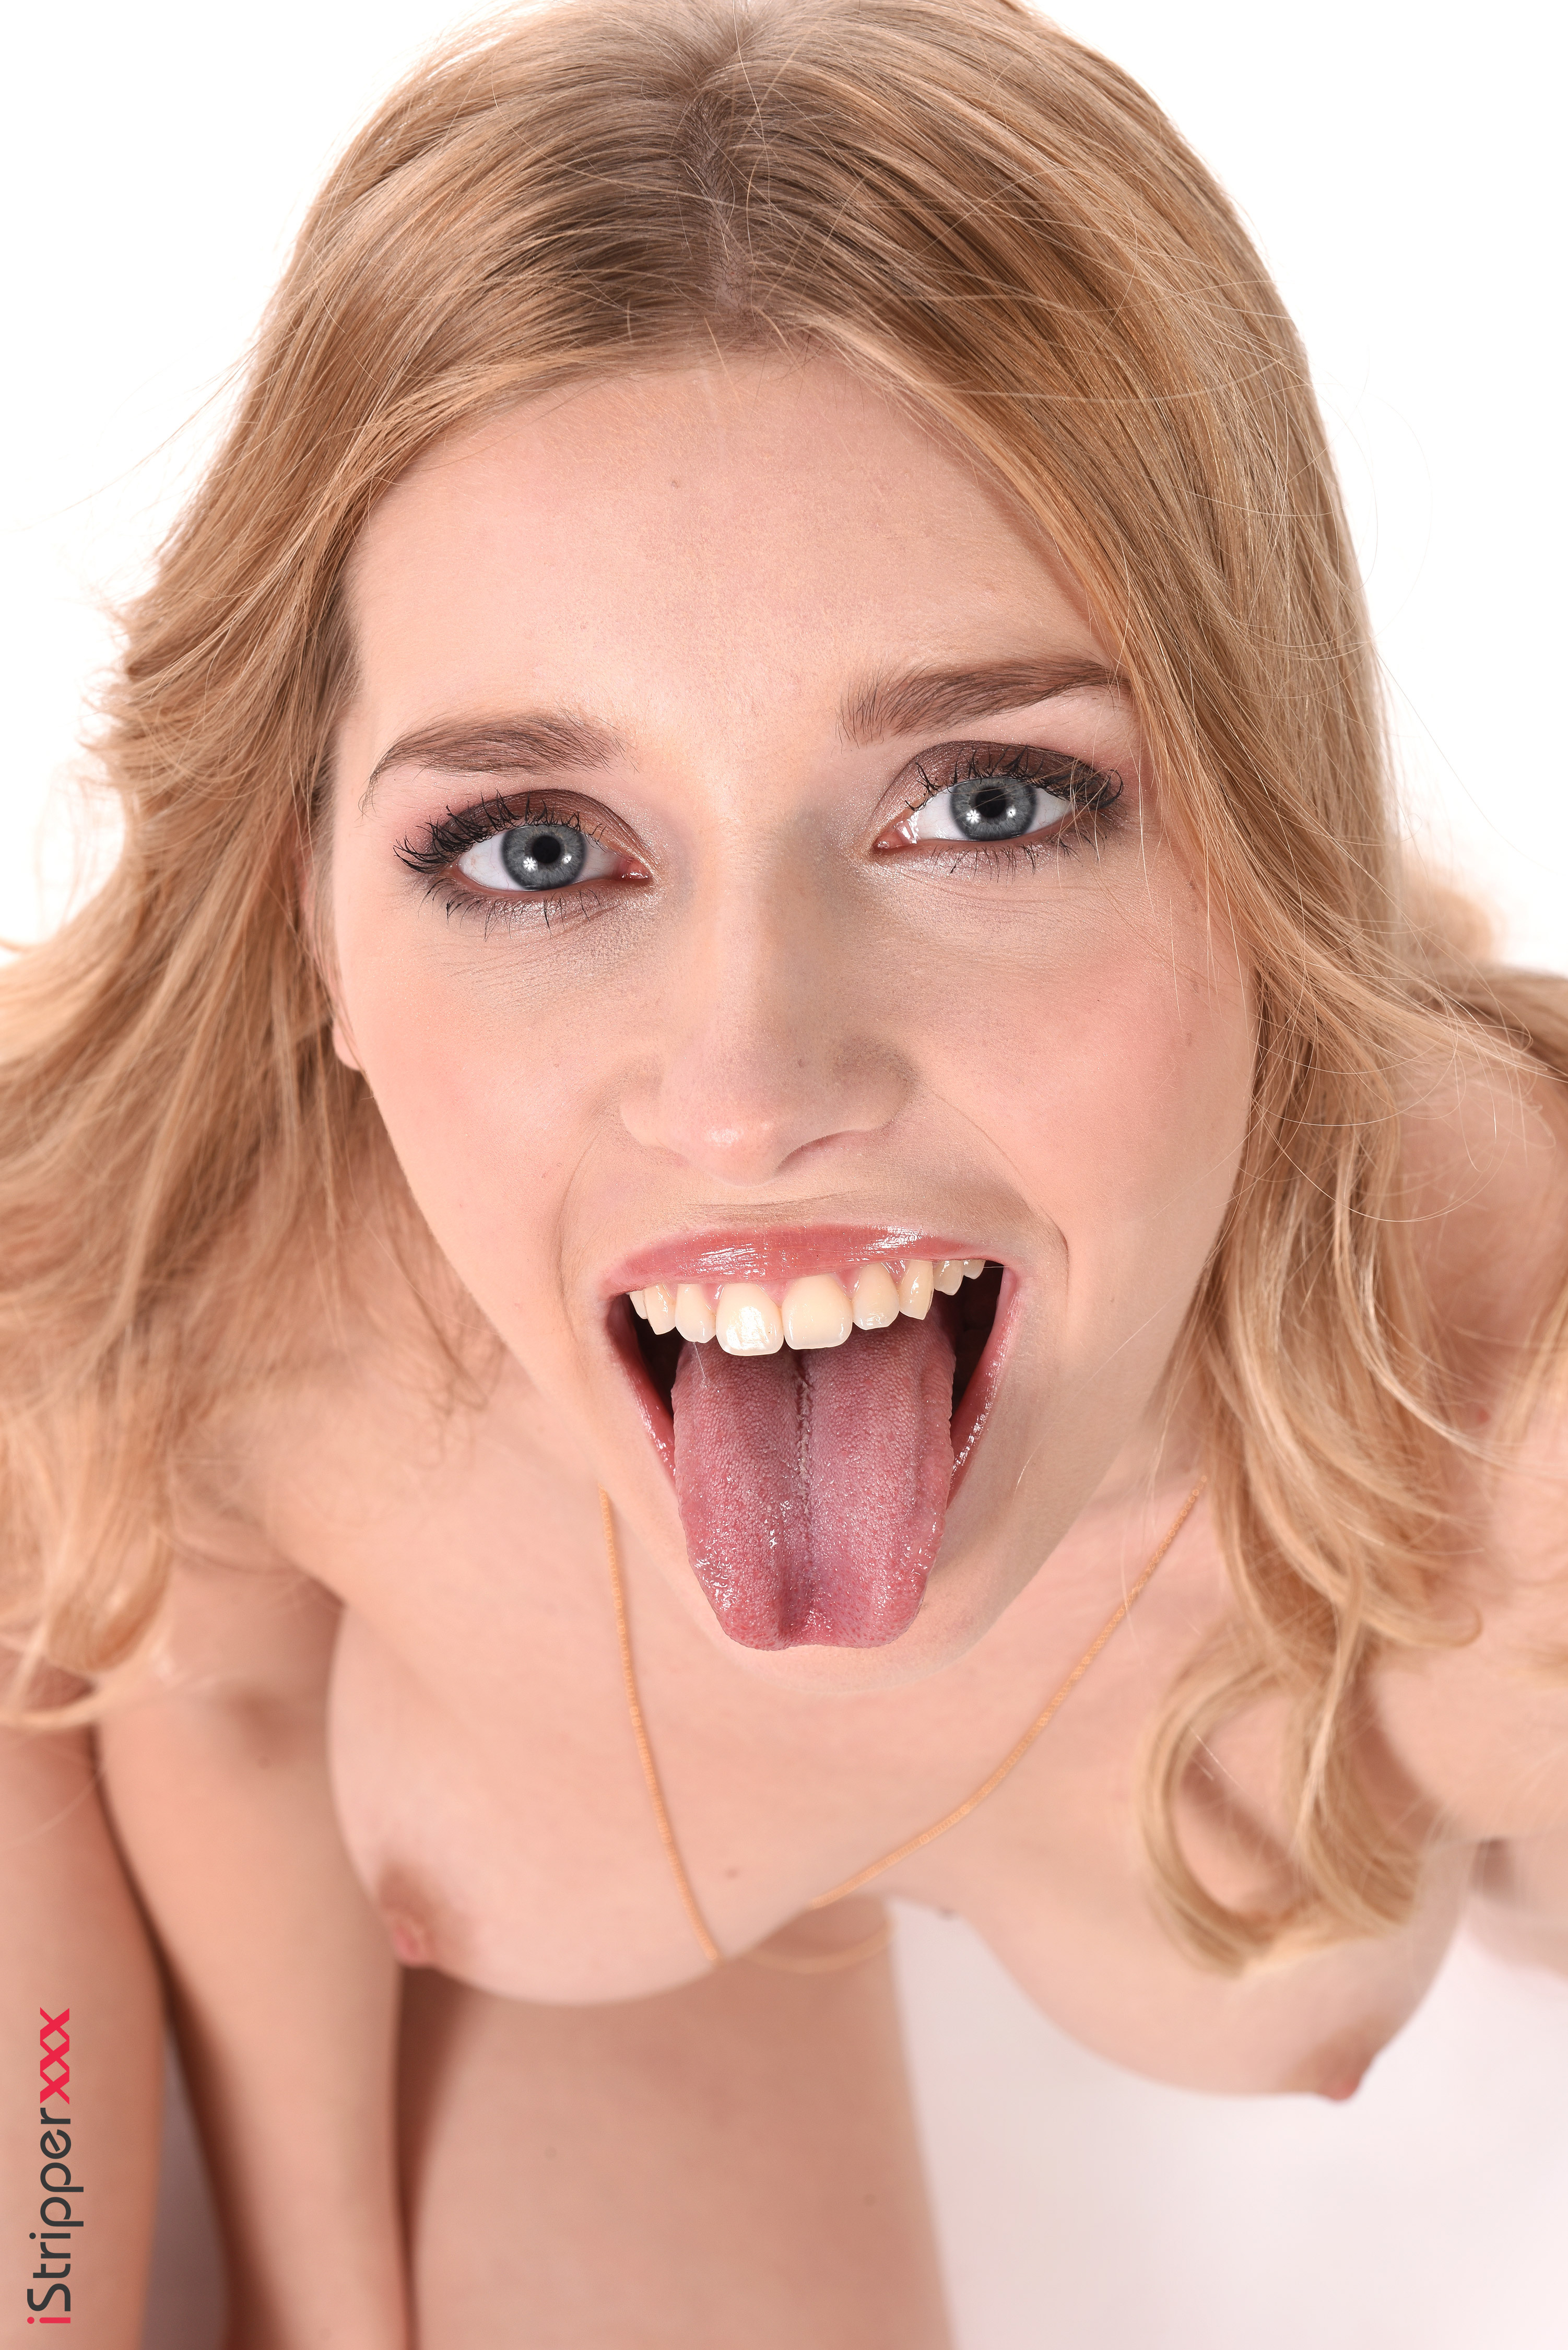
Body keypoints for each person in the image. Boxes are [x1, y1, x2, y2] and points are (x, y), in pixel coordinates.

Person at [4, 0, 1566, 2340]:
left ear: (1280, 832)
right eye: (537, 847)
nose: (746, 1095)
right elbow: (201, 1713)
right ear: (311, 916)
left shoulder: (1510, 1443)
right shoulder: (220, 1288)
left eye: (989, 803)